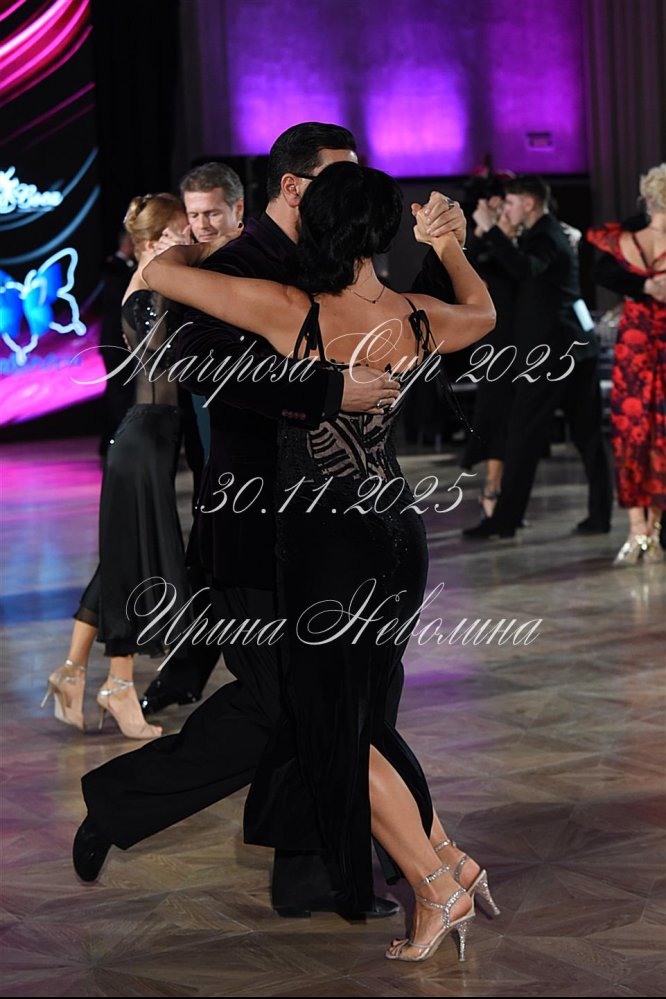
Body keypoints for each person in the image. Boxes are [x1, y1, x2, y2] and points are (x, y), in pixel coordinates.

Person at [73, 122, 468, 924]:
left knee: (339, 702)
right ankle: (127, 802)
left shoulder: (327, 256)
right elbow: (189, 359)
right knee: (284, 705)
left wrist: (443, 253)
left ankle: (317, 868)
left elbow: (409, 324)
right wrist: (325, 392)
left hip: (345, 531)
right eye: (338, 178)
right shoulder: (240, 263)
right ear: (295, 187)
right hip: (256, 526)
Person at [41, 193, 201, 740]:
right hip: (144, 439)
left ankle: (71, 672)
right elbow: (167, 354)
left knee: (119, 558)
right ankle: (119, 683)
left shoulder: (157, 281)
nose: (190, 238)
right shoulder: (153, 284)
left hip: (150, 438)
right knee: (132, 562)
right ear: (154, 240)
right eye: (181, 230)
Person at [463, 175, 611, 539]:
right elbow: (497, 267)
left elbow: (523, 268)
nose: (507, 209)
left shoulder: (546, 235)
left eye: (511, 203)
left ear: (528, 203)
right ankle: (597, 516)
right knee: (583, 436)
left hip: (554, 355)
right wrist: (486, 234)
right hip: (569, 350)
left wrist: (490, 230)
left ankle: (505, 521)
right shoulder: (543, 234)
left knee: (527, 435)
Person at [587, 163, 666, 564]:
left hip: (635, 340)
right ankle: (653, 528)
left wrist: (640, 286)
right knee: (660, 434)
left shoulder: (626, 240)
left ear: (648, 200)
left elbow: (599, 270)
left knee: (632, 431)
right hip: (657, 338)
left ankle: (638, 530)